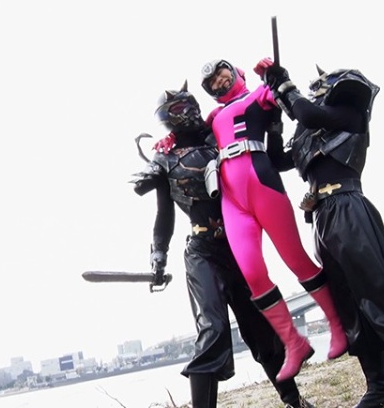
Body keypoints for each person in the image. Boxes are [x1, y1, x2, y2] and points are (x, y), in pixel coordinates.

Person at [256, 58, 384, 408]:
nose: (317, 92)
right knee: (350, 305)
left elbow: (308, 113)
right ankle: (379, 387)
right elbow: (277, 160)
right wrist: (272, 114)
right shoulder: (309, 131)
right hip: (321, 218)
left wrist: (284, 85)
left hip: (350, 208)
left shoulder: (350, 115)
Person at [156, 59, 347, 383]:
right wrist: (169, 141)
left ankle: (338, 326)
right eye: (212, 82)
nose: (219, 81)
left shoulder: (259, 95)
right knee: (253, 274)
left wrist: (277, 78)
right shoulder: (212, 118)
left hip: (263, 183)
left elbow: (291, 104)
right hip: (232, 199)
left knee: (297, 260)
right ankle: (294, 343)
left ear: (236, 72)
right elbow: (188, 138)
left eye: (222, 74)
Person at [131, 81, 315, 408]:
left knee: (261, 327)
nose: (189, 112)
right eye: (179, 108)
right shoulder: (165, 160)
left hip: (236, 246)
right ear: (167, 117)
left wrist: (273, 120)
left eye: (191, 104)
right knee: (212, 330)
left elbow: (255, 155)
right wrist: (158, 257)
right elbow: (164, 215)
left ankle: (294, 401)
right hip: (201, 252)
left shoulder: (220, 139)